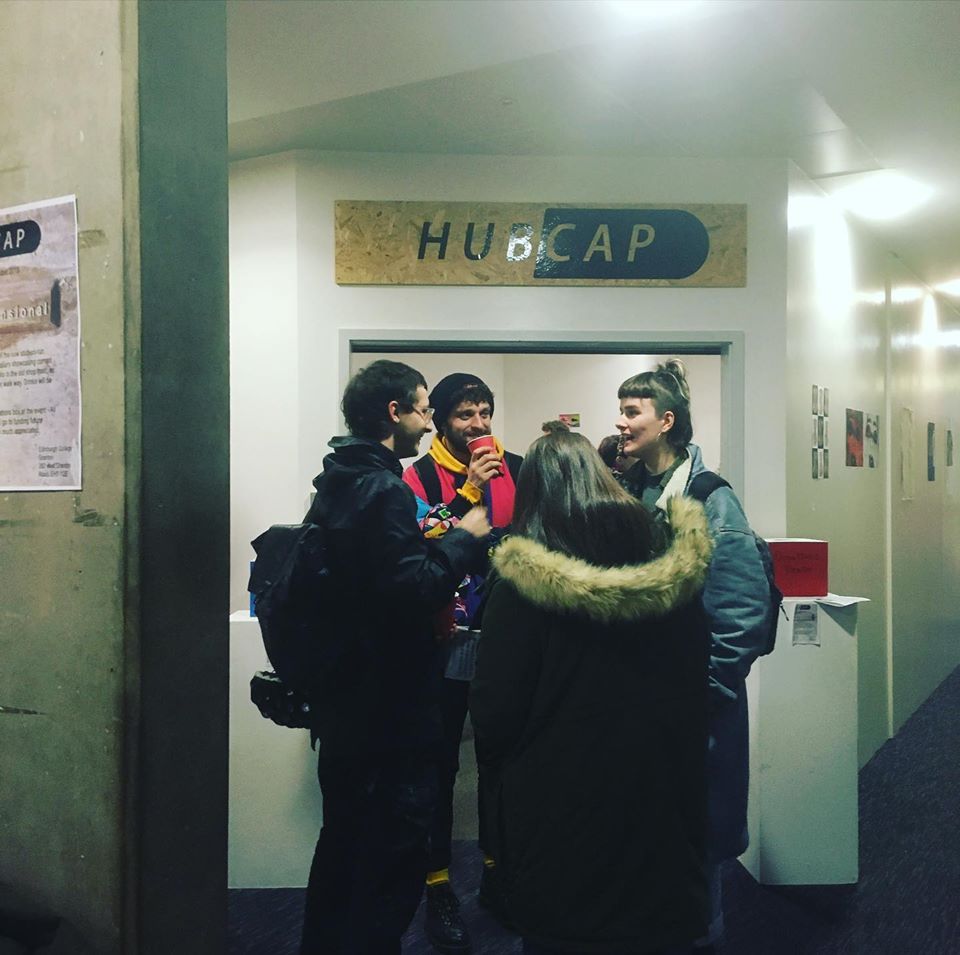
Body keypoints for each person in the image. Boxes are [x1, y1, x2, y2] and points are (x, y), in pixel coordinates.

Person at [470, 430, 714, 955]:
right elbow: (700, 668)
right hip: (661, 790)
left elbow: (495, 715)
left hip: (558, 803)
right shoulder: (669, 565)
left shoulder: (521, 588)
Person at [299, 360, 491, 955]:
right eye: (425, 409)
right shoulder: (383, 488)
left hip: (349, 701)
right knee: (387, 859)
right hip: (388, 707)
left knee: (344, 847)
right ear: (394, 412)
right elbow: (415, 586)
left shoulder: (338, 478)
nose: (429, 422)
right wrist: (465, 537)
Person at [616, 359, 775, 951]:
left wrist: (704, 693)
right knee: (650, 837)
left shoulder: (711, 498)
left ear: (667, 421)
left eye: (632, 412)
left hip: (695, 705)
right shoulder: (632, 490)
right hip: (643, 702)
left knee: (698, 840)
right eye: (621, 411)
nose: (621, 422)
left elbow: (741, 610)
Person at [402, 372, 522, 954]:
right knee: (439, 763)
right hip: (441, 641)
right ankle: (438, 886)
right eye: (464, 415)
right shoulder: (416, 476)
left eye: (485, 413)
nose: (478, 425)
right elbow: (420, 546)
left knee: (502, 758)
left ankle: (499, 873)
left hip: (504, 637)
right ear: (442, 422)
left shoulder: (514, 467)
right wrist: (469, 490)